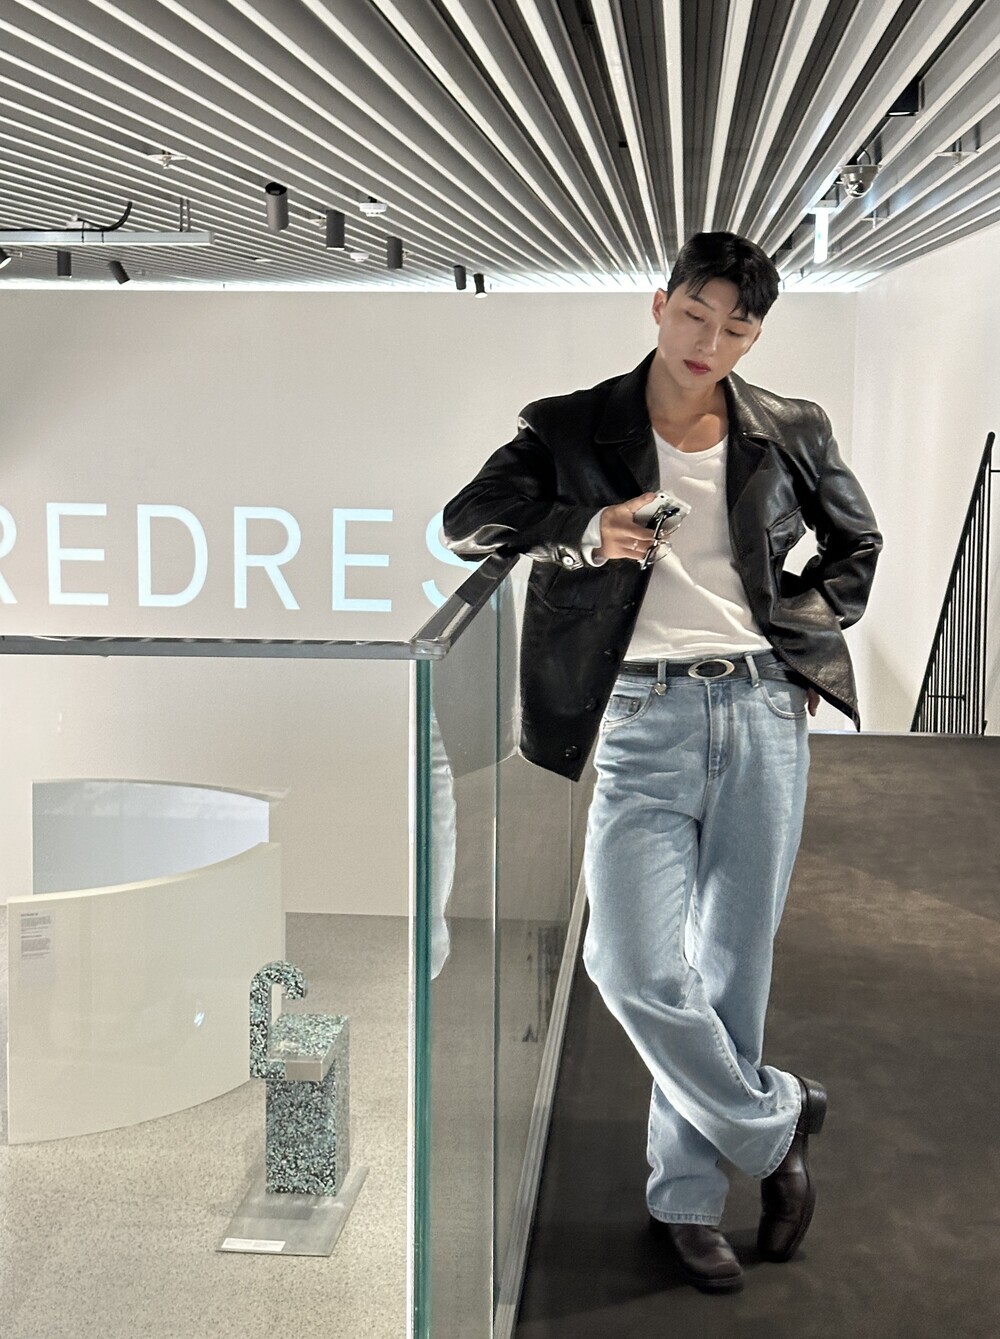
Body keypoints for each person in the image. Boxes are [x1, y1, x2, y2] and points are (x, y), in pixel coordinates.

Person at [441, 231, 882, 1294]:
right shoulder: (570, 426)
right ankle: (774, 1124)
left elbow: (854, 546)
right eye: (695, 313)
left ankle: (686, 1201)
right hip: (641, 715)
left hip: (759, 709)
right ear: (659, 303)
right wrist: (586, 529)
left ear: (754, 335)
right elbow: (466, 524)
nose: (708, 340)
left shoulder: (789, 426)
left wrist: (795, 642)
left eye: (735, 325)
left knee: (732, 969)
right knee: (629, 963)